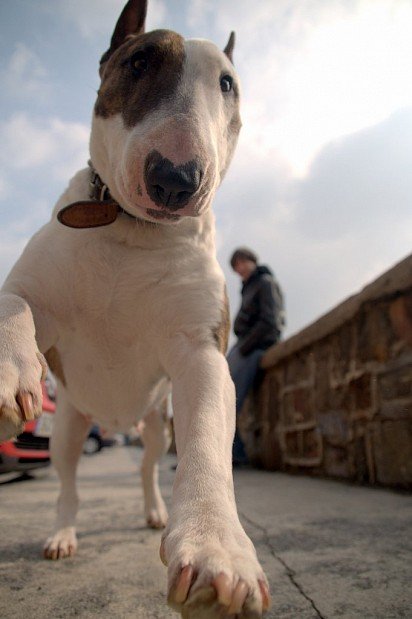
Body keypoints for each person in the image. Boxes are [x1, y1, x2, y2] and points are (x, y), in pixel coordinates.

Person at [227, 247, 285, 466]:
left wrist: (243, 349)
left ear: (252, 260)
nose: (240, 268)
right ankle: (230, 454)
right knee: (218, 399)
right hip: (243, 346)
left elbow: (271, 323)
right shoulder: (248, 287)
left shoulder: (265, 283)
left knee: (228, 404)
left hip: (254, 348)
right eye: (236, 266)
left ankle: (234, 455)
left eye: (242, 262)